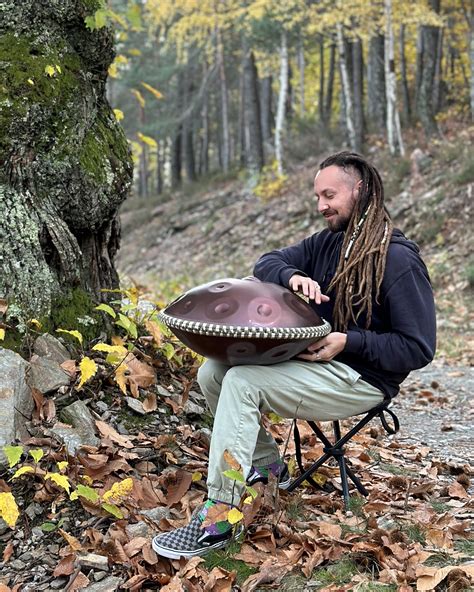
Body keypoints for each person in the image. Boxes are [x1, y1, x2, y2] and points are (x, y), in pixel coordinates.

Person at [152, 151, 436, 560]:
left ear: (361, 189)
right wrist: (293, 276)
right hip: (317, 363)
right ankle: (268, 467)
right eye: (317, 196)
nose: (321, 205)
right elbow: (268, 261)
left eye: (329, 194)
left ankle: (220, 513)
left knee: (242, 382)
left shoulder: (397, 259)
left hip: (362, 378)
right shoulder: (329, 241)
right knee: (212, 373)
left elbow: (418, 348)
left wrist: (348, 341)